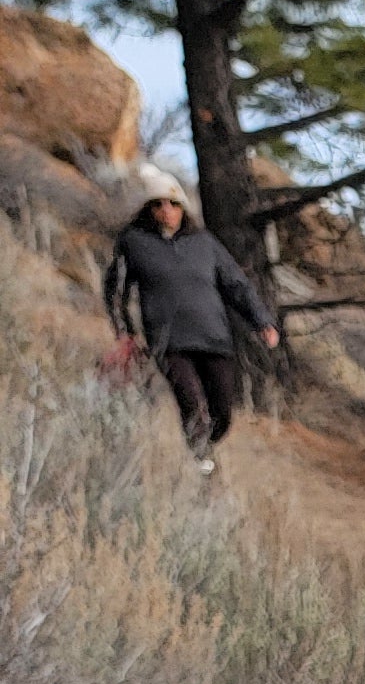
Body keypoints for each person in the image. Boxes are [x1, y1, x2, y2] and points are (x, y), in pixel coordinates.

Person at [101, 173, 280, 474]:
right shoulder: (133, 242)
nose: (166, 210)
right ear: (148, 209)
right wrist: (126, 334)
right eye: (158, 204)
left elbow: (237, 285)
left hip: (214, 338)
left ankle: (203, 449)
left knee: (222, 412)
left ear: (183, 207)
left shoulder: (204, 243)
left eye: (173, 203)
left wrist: (261, 320)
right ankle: (203, 466)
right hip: (169, 343)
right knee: (193, 404)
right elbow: (115, 291)